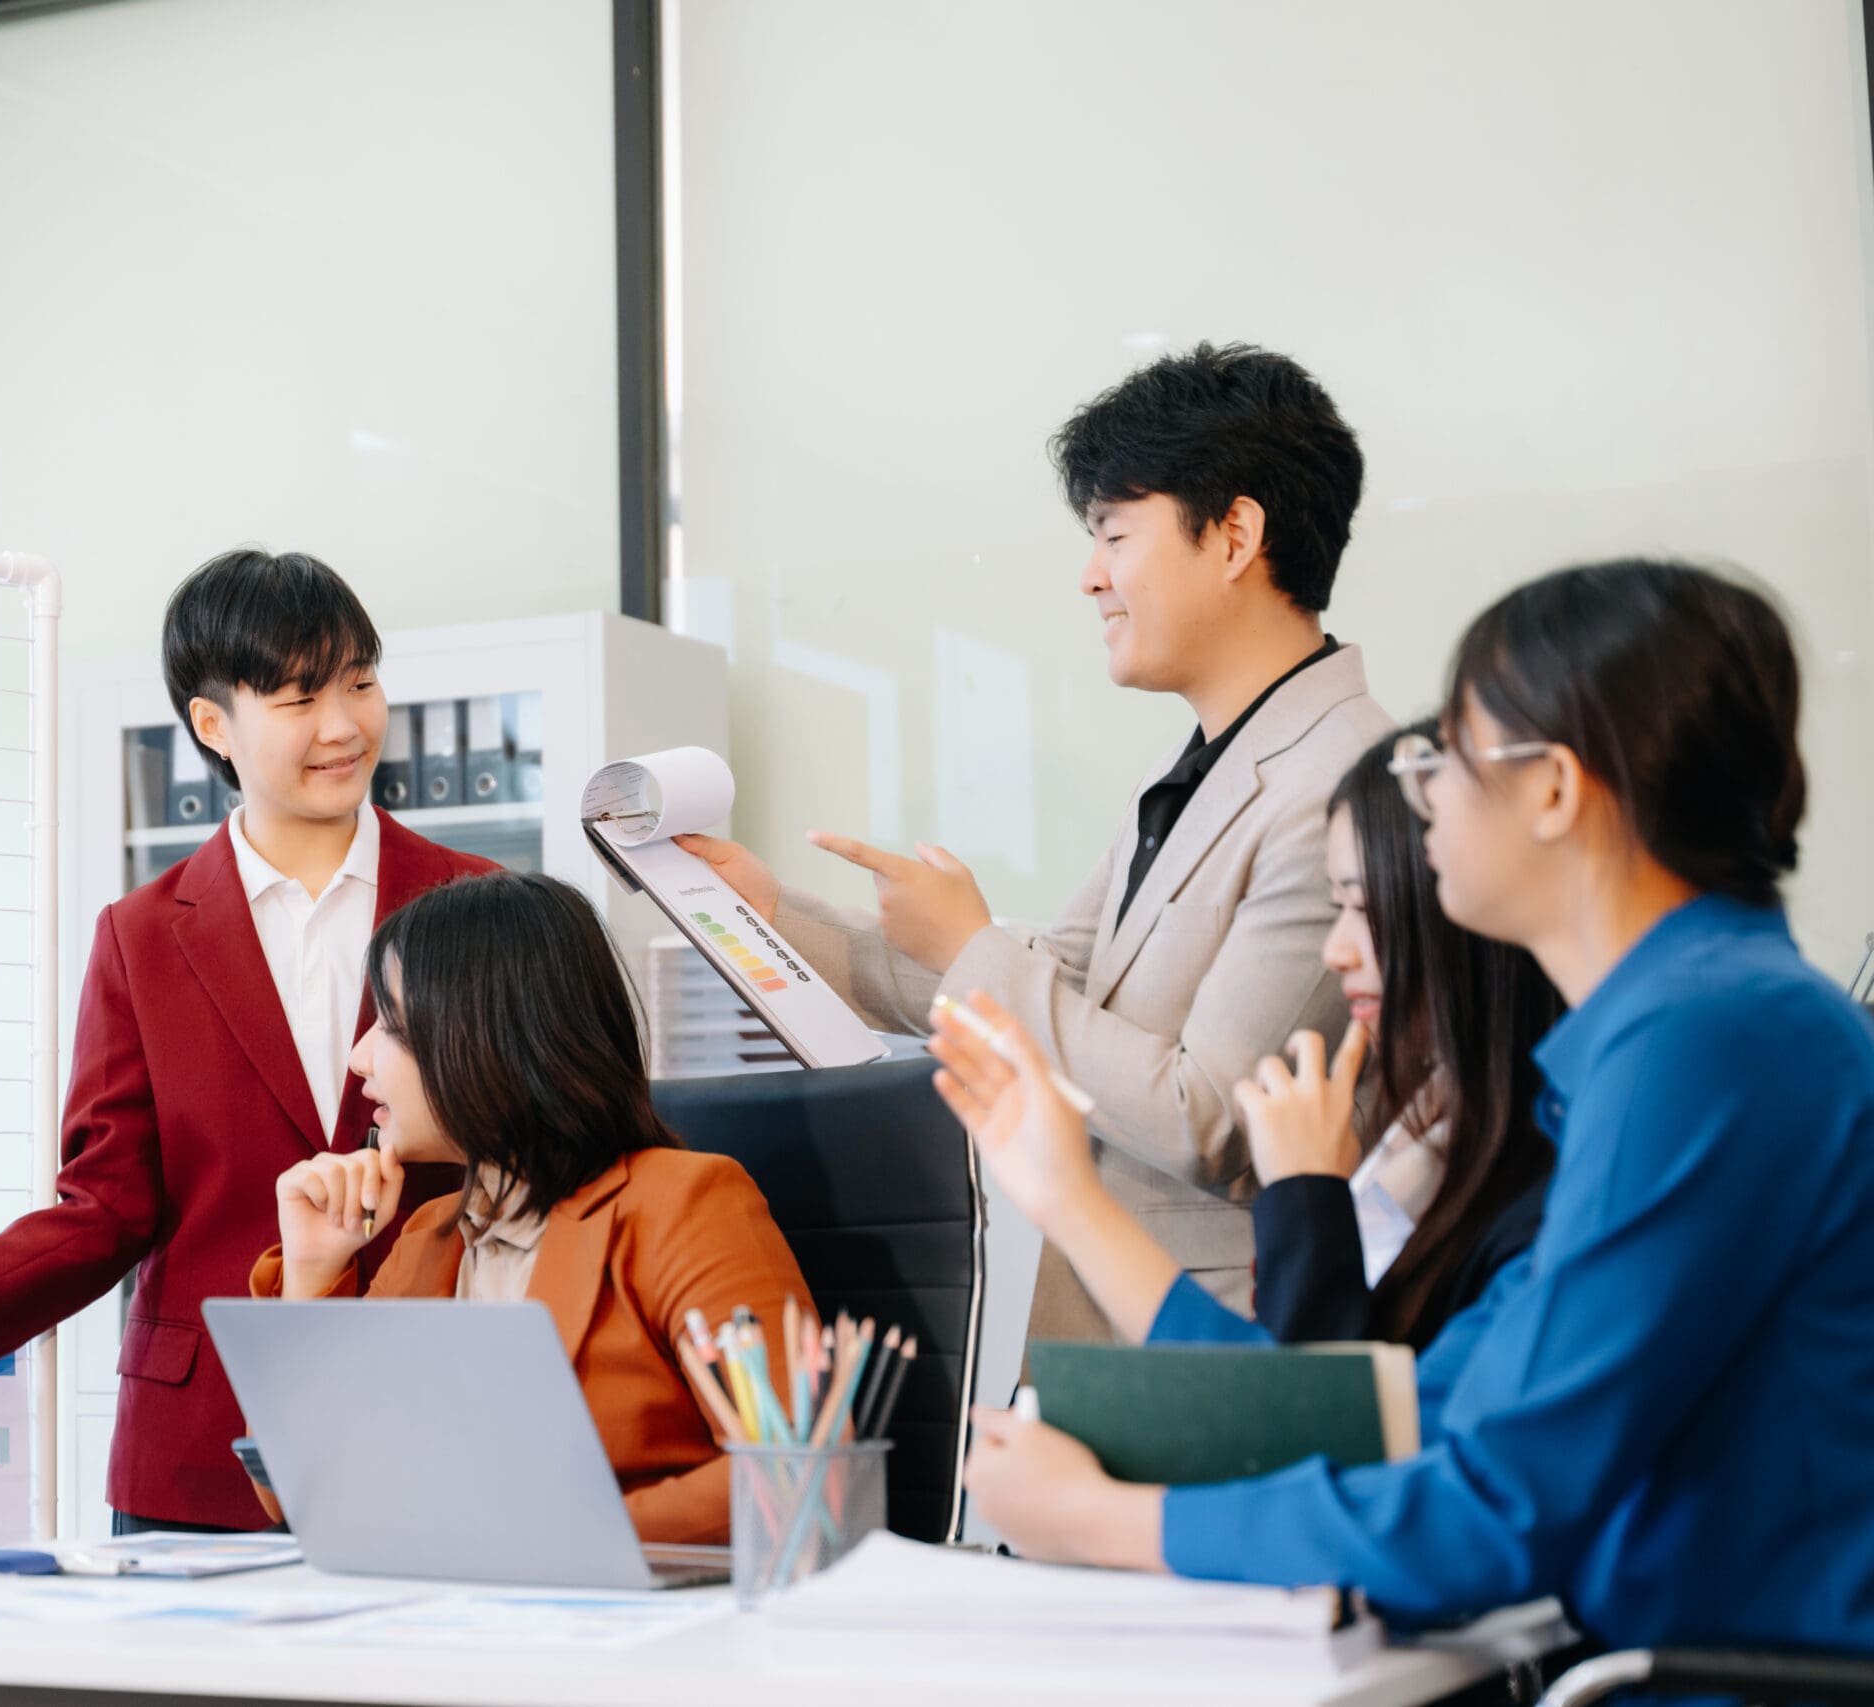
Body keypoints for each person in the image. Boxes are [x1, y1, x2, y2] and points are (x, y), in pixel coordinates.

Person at [938, 559, 1874, 1661]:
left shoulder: (1704, 1043)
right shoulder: (1701, 1027)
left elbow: (1492, 1509)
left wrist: (1111, 1520)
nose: (1418, 793)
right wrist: (1069, 1194)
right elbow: (1396, 1425)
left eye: (1446, 759)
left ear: (1556, 791)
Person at [0, 548, 499, 1533]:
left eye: (362, 683)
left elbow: (535, 1142)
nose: (344, 725)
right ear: (213, 724)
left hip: (446, 1409)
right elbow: (106, 1209)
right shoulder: (144, 935)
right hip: (207, 1440)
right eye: (299, 699)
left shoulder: (475, 904)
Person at [680, 343, 1394, 1336]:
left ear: (1234, 536)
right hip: (1106, 1327)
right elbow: (1029, 988)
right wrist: (766, 912)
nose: (1090, 578)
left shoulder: (1343, 783)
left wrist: (967, 945)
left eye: (1113, 534)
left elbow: (1214, 1115)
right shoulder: (1195, 766)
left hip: (1220, 1348)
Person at [941, 720, 1563, 1352]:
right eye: (1338, 906)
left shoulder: (1537, 1168)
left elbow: (1317, 1408)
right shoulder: (1416, 1132)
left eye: (1365, 908)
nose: (1336, 950)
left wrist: (1307, 1194)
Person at [246, 870, 812, 1544]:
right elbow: (293, 1486)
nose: (359, 1057)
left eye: (390, 1024)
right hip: (464, 1620)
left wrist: (553, 1537)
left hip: (634, 1623)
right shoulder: (432, 1237)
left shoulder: (681, 1203)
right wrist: (310, 1277)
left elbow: (790, 1474)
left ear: (488, 1033)